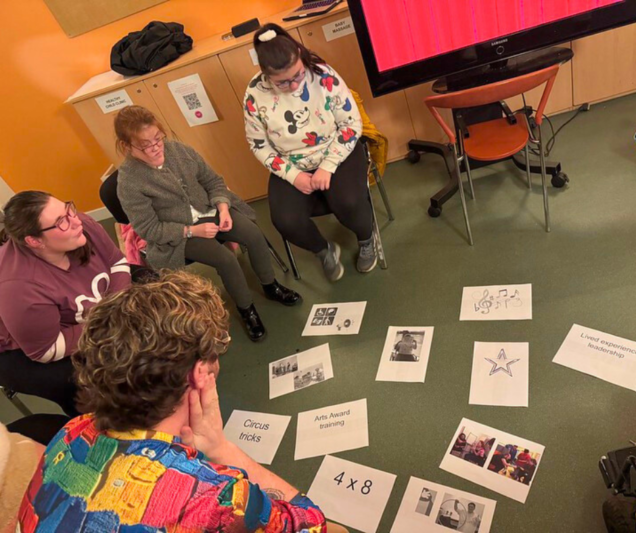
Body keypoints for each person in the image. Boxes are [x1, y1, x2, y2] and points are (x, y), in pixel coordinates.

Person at [18, 270, 327, 531]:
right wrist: (221, 449)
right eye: (219, 348)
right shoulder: (215, 498)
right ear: (200, 373)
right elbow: (317, 525)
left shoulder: (71, 432)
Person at [115, 105, 301, 342]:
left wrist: (223, 207)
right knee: (225, 259)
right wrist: (192, 230)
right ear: (126, 146)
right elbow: (149, 229)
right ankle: (247, 310)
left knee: (253, 234)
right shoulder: (129, 181)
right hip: (178, 235)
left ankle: (270, 285)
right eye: (145, 145)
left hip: (210, 210)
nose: (155, 148)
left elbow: (213, 181)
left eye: (158, 139)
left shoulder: (179, 150)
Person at [245, 23, 376, 281]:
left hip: (337, 150)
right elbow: (258, 144)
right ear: (265, 74)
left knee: (348, 201)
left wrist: (328, 165)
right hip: (292, 163)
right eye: (282, 83)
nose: (293, 86)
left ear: (299, 55)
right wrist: (293, 176)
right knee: (284, 220)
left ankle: (366, 239)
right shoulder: (254, 92)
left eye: (297, 75)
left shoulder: (323, 75)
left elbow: (351, 124)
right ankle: (324, 250)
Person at [0, 191, 132, 416]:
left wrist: (114, 308)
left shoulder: (80, 225)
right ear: (34, 241)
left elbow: (117, 261)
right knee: (85, 383)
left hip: (94, 313)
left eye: (68, 209)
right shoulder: (19, 287)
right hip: (28, 349)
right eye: (61, 222)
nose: (75, 220)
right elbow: (45, 350)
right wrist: (108, 322)